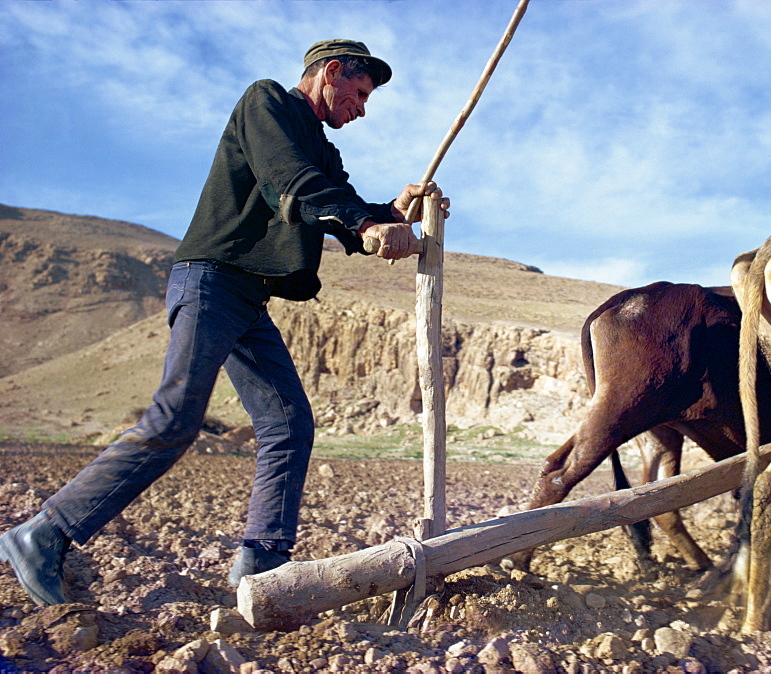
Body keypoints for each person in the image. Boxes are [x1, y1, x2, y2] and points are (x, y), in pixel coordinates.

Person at [0, 39, 450, 605]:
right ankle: (41, 535)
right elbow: (292, 184)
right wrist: (365, 223)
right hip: (211, 280)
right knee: (174, 420)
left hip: (248, 297)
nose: (362, 108)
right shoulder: (266, 104)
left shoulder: (321, 147)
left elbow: (336, 205)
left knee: (288, 424)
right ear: (331, 73)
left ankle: (261, 567)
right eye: (359, 94)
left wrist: (393, 211)